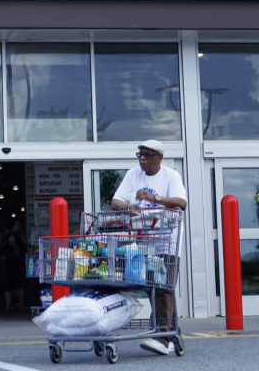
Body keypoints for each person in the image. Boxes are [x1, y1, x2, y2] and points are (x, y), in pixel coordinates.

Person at [109, 140, 187, 357]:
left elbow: (182, 202)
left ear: (159, 157)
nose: (142, 158)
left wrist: (156, 198)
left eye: (147, 154)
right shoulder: (133, 174)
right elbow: (116, 200)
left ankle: (162, 337)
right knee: (153, 288)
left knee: (163, 288)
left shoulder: (171, 176)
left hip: (167, 242)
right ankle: (172, 333)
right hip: (143, 243)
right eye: (140, 154)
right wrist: (129, 206)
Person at [0, 226, 27, 311]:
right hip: (10, 268)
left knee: (19, 287)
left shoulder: (19, 244)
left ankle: (20, 305)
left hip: (17, 267)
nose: (11, 240)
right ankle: (8, 306)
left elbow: (23, 248)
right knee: (8, 288)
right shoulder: (7, 247)